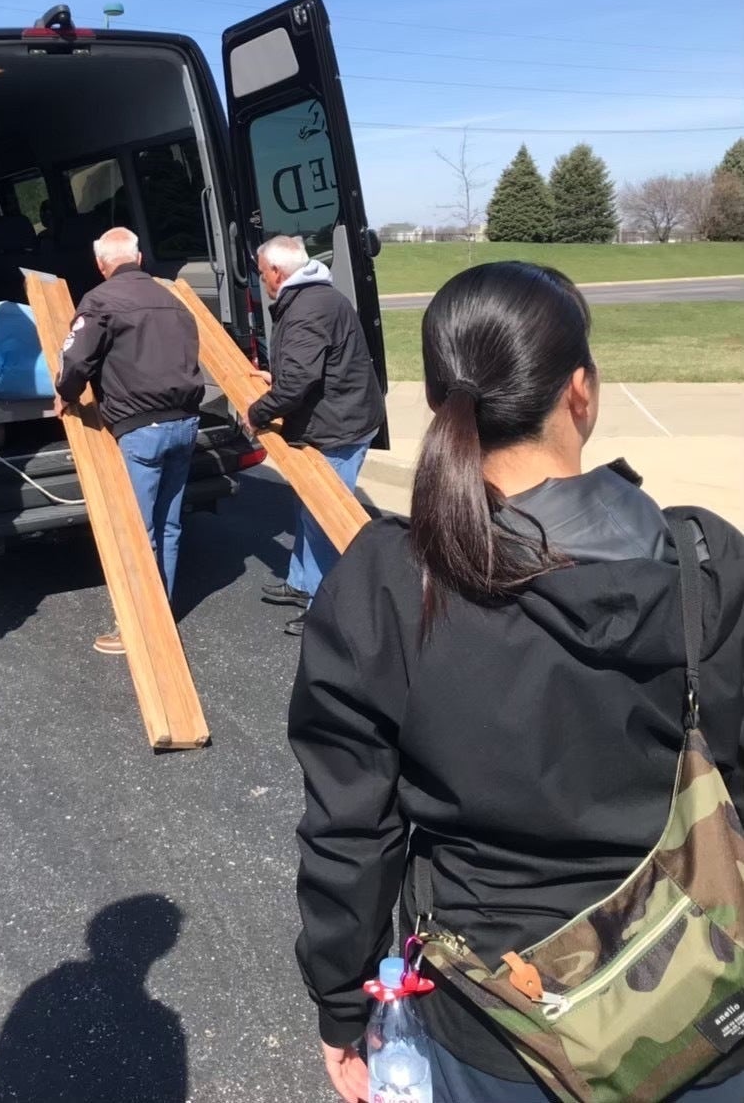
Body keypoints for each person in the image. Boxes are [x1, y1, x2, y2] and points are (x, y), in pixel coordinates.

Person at [288, 261, 744, 1103]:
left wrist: (341, 1002)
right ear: (581, 392)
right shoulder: (705, 564)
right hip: (702, 998)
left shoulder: (386, 583)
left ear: (439, 402)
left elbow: (351, 831)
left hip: (501, 1022)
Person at [55, 226, 204, 655]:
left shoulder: (100, 301)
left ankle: (139, 625)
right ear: (139, 259)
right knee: (169, 525)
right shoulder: (173, 299)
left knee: (139, 531)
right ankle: (163, 610)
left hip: (142, 430)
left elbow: (76, 359)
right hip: (186, 424)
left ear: (101, 265)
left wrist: (66, 395)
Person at [247, 235, 384, 632]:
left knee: (325, 519)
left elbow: (298, 384)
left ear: (277, 271)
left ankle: (327, 611)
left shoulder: (307, 309)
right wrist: (278, 377)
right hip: (340, 416)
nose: (262, 279)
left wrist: (257, 412)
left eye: (262, 272)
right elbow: (314, 366)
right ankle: (302, 583)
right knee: (307, 508)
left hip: (340, 427)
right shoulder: (316, 297)